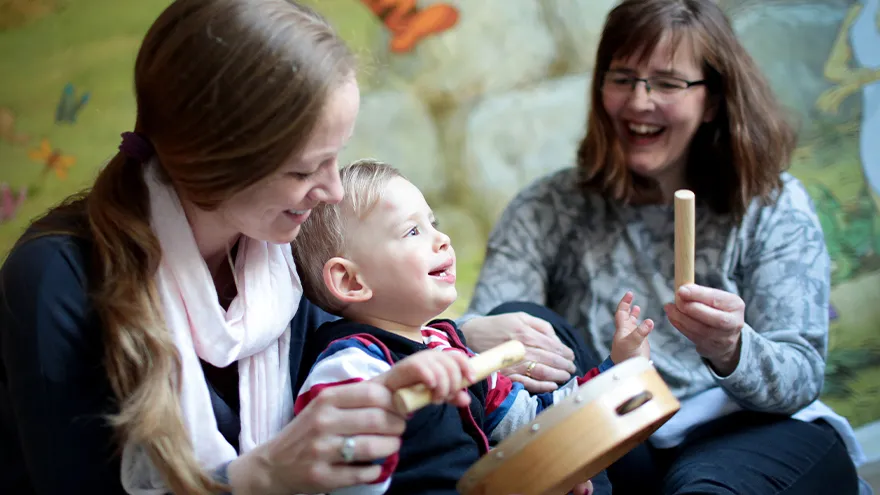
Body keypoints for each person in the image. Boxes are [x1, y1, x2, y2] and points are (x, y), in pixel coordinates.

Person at [0, 1, 446, 493]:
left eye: (335, 157)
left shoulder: (280, 261)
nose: (333, 192)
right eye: (302, 171)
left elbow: (365, 345)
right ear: (214, 166)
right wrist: (259, 477)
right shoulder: (56, 280)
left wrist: (467, 337)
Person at [457, 0, 870, 493]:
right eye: (623, 78)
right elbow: (481, 334)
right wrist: (473, 331)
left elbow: (801, 378)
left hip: (748, 431)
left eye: (667, 83)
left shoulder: (772, 204)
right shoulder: (546, 206)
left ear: (712, 99)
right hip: (622, 438)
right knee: (516, 314)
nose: (638, 101)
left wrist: (733, 349)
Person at [290, 159, 656, 495]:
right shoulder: (351, 367)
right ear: (351, 281)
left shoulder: (449, 349)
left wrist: (619, 370)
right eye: (412, 232)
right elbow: (338, 475)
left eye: (433, 223)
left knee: (587, 474)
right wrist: (391, 404)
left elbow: (535, 420)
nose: (441, 238)